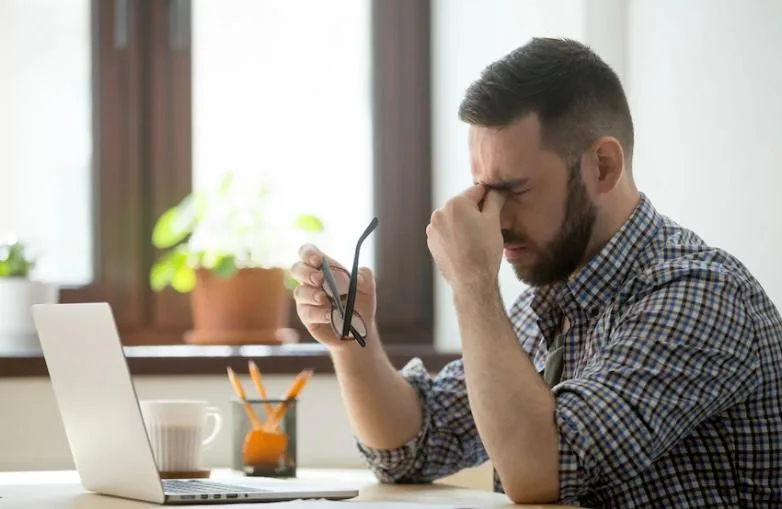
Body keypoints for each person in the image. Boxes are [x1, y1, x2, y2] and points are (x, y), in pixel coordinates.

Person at [290, 37, 782, 508]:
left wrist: (473, 284)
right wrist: (351, 340)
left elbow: (541, 471)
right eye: (484, 191)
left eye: (515, 190)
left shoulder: (699, 295)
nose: (495, 220)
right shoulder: (550, 301)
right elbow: (413, 445)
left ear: (603, 166)